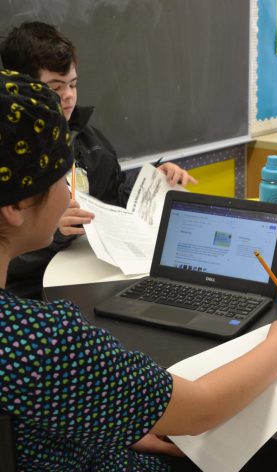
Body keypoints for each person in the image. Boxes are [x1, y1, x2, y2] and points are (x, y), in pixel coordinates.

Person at [0, 71, 277, 472]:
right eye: (63, 178)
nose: (72, 190)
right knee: (266, 466)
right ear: (15, 206)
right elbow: (201, 409)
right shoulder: (39, 341)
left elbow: (29, 422)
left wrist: (120, 422)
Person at [0, 21, 197, 298]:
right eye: (56, 88)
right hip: (31, 295)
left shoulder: (89, 141)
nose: (68, 96)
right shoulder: (10, 155)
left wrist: (152, 179)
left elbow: (112, 198)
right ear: (25, 88)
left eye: (73, 84)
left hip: (94, 277)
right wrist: (54, 231)